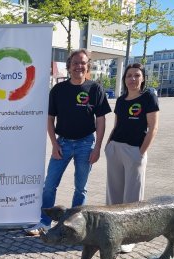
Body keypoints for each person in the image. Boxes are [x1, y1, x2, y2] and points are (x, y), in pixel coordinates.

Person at [26, 49, 111, 236]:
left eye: (83, 63)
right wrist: (54, 145)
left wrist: (97, 148)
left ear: (88, 66)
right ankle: (44, 222)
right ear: (69, 66)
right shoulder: (58, 90)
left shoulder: (95, 89)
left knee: (81, 188)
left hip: (86, 144)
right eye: (75, 63)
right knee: (49, 185)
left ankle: (74, 225)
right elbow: (50, 119)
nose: (79, 66)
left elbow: (101, 120)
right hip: (62, 144)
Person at [104, 63, 159, 253]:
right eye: (129, 76)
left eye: (137, 75)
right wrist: (108, 145)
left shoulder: (148, 97)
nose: (132, 79)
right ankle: (113, 231)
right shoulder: (121, 100)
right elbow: (116, 125)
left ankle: (131, 236)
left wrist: (141, 152)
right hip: (115, 149)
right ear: (124, 79)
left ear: (143, 78)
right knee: (114, 193)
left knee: (133, 196)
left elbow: (153, 128)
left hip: (135, 150)